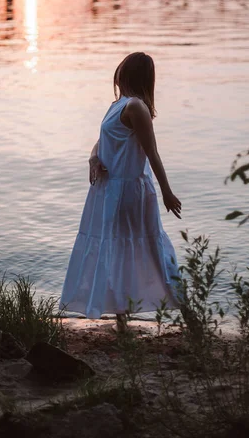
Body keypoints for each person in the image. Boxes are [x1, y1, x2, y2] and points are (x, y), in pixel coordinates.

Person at [60, 52, 181, 332]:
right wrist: (93, 158)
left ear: (128, 75)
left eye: (122, 71)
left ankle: (188, 315)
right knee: (112, 250)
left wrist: (166, 191)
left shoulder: (136, 107)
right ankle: (122, 322)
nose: (117, 75)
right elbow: (101, 141)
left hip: (129, 191)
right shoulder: (118, 105)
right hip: (106, 189)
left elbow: (152, 153)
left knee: (151, 250)